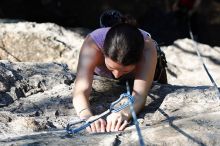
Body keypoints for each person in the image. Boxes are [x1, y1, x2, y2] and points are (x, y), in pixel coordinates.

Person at [72, 10, 167, 133]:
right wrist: (87, 116)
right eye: (111, 68)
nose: (116, 75)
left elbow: (140, 95)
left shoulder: (147, 48)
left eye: (125, 70)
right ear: (103, 52)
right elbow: (81, 89)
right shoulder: (93, 44)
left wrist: (124, 113)